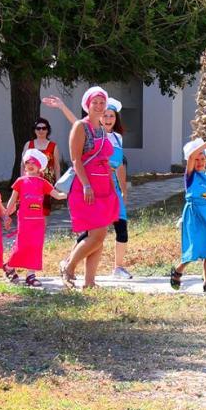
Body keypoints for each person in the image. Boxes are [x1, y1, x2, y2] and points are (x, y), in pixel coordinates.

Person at [58, 87, 120, 288]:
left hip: (104, 187)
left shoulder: (102, 128)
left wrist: (113, 189)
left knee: (99, 237)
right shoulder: (80, 126)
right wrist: (86, 185)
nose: (99, 106)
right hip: (86, 187)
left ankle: (90, 282)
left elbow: (107, 160)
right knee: (98, 234)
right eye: (95, 102)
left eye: (102, 102)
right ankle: (68, 266)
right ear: (87, 104)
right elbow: (76, 160)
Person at [5, 148, 67, 286]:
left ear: (40, 167)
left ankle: (31, 274)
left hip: (38, 221)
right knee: (22, 245)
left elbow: (57, 195)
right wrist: (6, 215)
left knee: (36, 246)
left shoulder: (43, 183)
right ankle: (9, 266)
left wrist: (70, 193)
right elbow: (12, 200)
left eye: (34, 162)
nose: (30, 165)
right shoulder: (20, 181)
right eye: (27, 162)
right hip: (24, 220)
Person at [170, 139, 206, 293]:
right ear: (191, 161)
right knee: (195, 247)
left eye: (203, 159)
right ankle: (178, 270)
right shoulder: (190, 176)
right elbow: (192, 156)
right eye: (196, 159)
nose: (200, 162)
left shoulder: (205, 176)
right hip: (194, 214)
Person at [101, 99, 132, 279]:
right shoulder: (94, 135)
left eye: (111, 116)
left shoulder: (118, 138)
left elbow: (119, 166)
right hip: (99, 185)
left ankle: (118, 267)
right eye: (105, 115)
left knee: (121, 225)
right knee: (93, 228)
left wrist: (123, 190)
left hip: (113, 186)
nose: (108, 119)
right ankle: (70, 260)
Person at [23, 114, 61, 213]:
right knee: (30, 207)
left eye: (44, 128)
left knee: (44, 210)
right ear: (34, 130)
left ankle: (43, 228)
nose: (41, 131)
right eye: (38, 128)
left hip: (47, 183)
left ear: (47, 130)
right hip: (30, 181)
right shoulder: (29, 144)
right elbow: (22, 165)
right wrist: (22, 180)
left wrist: (59, 184)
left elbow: (56, 166)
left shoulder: (53, 146)